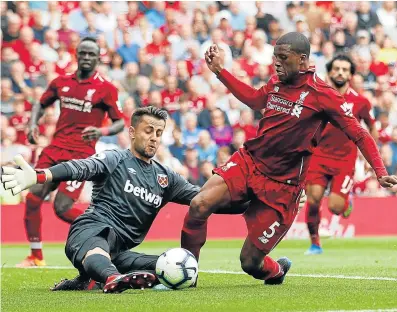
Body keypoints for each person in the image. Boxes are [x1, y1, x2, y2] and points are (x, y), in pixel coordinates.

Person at [181, 33, 397, 286]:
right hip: (249, 162)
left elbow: (359, 133)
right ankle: (188, 276)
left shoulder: (323, 95)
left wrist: (379, 170)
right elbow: (253, 98)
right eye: (275, 58)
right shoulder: (276, 83)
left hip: (283, 187)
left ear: (302, 60)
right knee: (199, 205)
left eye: (283, 58)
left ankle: (276, 271)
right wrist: (220, 71)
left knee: (250, 262)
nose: (277, 63)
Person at [1, 107, 197, 293]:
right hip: (90, 229)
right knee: (98, 248)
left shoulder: (166, 178)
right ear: (132, 132)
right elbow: (81, 167)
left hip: (118, 251)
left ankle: (88, 280)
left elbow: (205, 198)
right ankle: (111, 277)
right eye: (148, 131)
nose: (154, 138)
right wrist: (39, 176)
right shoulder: (115, 158)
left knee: (169, 266)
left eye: (158, 133)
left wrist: (228, 187)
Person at [18, 37, 125, 267]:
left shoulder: (106, 89)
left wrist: (101, 130)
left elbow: (119, 123)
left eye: (91, 54)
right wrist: (33, 124)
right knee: (33, 197)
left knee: (62, 208)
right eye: (83, 53)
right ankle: (36, 256)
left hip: (80, 157)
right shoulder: (61, 82)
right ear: (77, 55)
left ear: (98, 58)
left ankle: (107, 231)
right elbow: (41, 103)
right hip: (54, 150)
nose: (86, 58)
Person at [304, 54, 378, 255]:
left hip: (345, 160)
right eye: (336, 69)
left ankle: (346, 201)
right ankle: (315, 242)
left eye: (345, 69)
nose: (340, 72)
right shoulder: (318, 97)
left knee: (336, 208)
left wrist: (370, 156)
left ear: (351, 75)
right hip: (318, 156)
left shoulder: (361, 102)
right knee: (313, 200)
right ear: (329, 72)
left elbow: (372, 128)